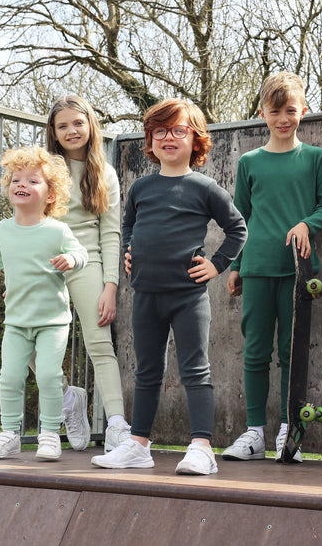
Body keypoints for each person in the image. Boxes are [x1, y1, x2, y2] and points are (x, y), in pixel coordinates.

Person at [91, 98, 248, 474]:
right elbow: (128, 225)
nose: (168, 137)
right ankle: (138, 445)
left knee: (195, 370)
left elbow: (237, 228)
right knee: (146, 372)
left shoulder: (205, 187)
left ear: (196, 140)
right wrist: (130, 251)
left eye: (179, 130)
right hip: (146, 295)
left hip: (188, 297)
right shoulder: (140, 188)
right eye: (159, 131)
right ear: (150, 140)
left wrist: (216, 265)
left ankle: (202, 448)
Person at [222, 71, 322, 463]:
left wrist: (307, 223)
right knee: (255, 351)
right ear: (263, 114)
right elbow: (240, 218)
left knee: (292, 353)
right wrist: (236, 265)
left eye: (290, 110)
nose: (283, 118)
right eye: (275, 111)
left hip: (298, 272)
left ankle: (289, 430)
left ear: (303, 110)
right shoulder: (249, 162)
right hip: (255, 268)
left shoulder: (316, 158)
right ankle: (254, 432)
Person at [0, 145, 88, 460]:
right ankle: (9, 434)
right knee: (9, 377)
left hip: (52, 321)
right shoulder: (5, 229)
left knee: (47, 376)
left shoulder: (57, 230)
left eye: (32, 181)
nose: (21, 184)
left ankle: (49, 434)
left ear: (50, 194)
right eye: (16, 179)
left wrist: (72, 259)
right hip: (17, 321)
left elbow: (81, 253)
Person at [45, 95, 131, 452]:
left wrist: (110, 285)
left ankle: (117, 425)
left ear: (90, 126)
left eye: (78, 123)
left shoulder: (105, 174)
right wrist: (19, 275)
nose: (71, 131)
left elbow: (111, 234)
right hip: (45, 262)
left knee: (99, 343)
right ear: (53, 132)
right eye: (62, 125)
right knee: (26, 339)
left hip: (88, 260)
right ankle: (67, 397)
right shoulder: (44, 170)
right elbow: (27, 223)